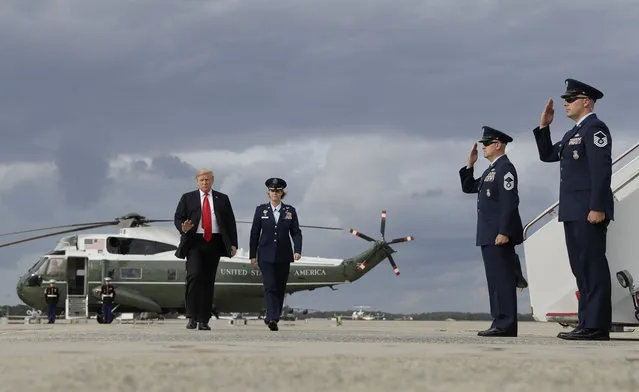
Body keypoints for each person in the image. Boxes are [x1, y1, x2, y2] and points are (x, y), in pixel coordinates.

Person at [532, 78, 613, 341]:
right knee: (581, 270)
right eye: (565, 99)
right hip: (573, 211)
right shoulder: (573, 134)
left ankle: (597, 326)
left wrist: (598, 207)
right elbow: (547, 155)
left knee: (593, 268)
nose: (565, 103)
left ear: (587, 101)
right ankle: (587, 322)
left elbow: (601, 172)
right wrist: (544, 126)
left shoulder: (595, 129)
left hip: (589, 211)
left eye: (571, 99)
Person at [459, 126, 523, 337]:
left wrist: (504, 231)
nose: (483, 147)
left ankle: (506, 324)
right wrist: (470, 164)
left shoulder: (505, 169)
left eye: (486, 144)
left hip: (499, 235)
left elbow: (510, 201)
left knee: (503, 280)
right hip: (488, 234)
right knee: (495, 281)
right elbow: (469, 187)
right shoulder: (491, 170)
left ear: (498, 145)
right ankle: (499, 321)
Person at [174, 168, 238, 330]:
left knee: (208, 281)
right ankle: (191, 316)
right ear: (197, 181)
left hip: (214, 242)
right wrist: (183, 228)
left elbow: (230, 222)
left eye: (207, 180)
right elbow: (178, 217)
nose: (205, 182)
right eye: (202, 180)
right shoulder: (188, 198)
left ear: (212, 180)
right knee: (194, 276)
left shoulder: (222, 199)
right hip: (194, 242)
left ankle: (203, 320)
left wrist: (233, 243)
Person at [249, 177, 302, 331]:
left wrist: (297, 250)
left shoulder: (289, 211)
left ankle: (272, 315)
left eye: (278, 191)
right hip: (265, 255)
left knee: (280, 287)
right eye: (272, 190)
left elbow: (296, 232)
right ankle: (273, 317)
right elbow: (254, 234)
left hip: (284, 255)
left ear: (282, 193)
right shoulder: (261, 210)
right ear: (268, 193)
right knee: (270, 285)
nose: (275, 193)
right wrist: (253, 255)